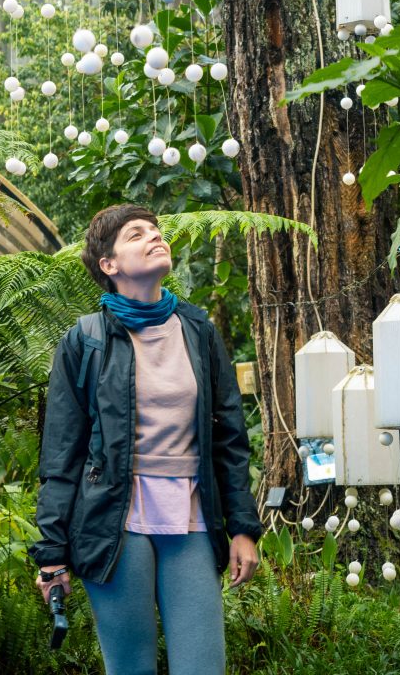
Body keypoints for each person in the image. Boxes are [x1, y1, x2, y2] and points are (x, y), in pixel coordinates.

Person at [29, 204, 261, 675]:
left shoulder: (198, 331)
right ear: (108, 265)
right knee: (130, 667)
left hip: (191, 516)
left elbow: (230, 441)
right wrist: (51, 554)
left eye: (156, 231)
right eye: (137, 234)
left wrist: (242, 528)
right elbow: (61, 453)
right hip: (113, 519)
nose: (155, 237)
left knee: (203, 666)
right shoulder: (86, 340)